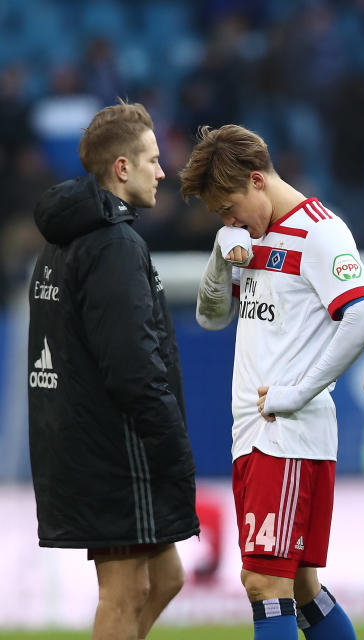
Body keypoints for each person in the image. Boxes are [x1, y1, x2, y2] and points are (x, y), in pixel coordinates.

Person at [182, 124, 364, 640]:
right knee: (304, 588)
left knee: (264, 583)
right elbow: (211, 316)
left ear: (256, 180)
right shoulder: (253, 235)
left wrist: (298, 391)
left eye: (229, 207)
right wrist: (219, 253)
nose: (229, 219)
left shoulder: (320, 231)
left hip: (286, 437)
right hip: (256, 435)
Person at [28, 100, 199, 640]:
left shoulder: (63, 240)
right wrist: (171, 440)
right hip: (115, 445)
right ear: (121, 168)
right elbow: (130, 364)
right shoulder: (114, 244)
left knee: (166, 577)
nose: (163, 170)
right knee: (125, 593)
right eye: (152, 159)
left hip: (79, 438)